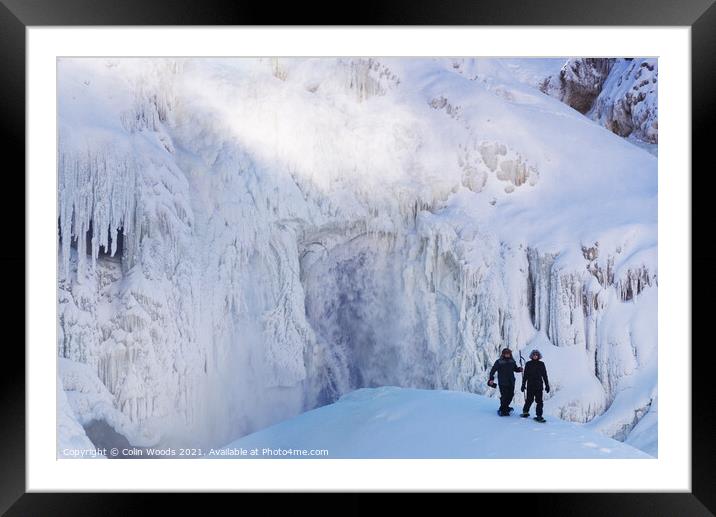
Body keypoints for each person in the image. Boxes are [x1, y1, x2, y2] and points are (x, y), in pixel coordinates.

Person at [488, 348, 523, 416]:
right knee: (504, 396)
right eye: (506, 353)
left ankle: (506, 407)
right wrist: (491, 379)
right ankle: (502, 409)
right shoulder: (499, 362)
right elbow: (493, 370)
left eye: (508, 353)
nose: (507, 354)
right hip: (503, 382)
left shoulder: (512, 361)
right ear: (503, 354)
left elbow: (515, 369)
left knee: (510, 395)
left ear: (510, 354)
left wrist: (519, 369)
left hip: (511, 381)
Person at [520, 349, 550, 422]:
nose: (535, 356)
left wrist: (547, 385)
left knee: (539, 401)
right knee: (529, 400)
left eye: (536, 355)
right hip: (530, 385)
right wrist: (523, 384)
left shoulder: (541, 364)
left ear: (539, 356)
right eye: (534, 355)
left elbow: (544, 375)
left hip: (539, 386)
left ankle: (539, 416)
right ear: (532, 356)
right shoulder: (528, 364)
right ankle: (525, 412)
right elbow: (525, 376)